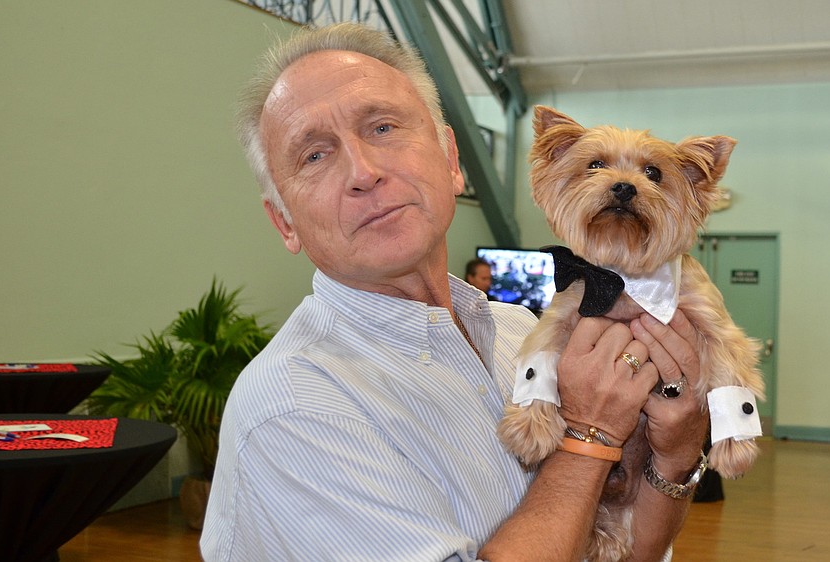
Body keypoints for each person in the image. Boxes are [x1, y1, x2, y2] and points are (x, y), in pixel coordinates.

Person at [201, 22, 708, 562]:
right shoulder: (293, 407)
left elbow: (634, 553)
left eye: (382, 128)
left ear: (450, 160)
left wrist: (676, 457)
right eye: (314, 156)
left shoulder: (518, 332)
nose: (363, 172)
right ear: (284, 222)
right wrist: (590, 437)